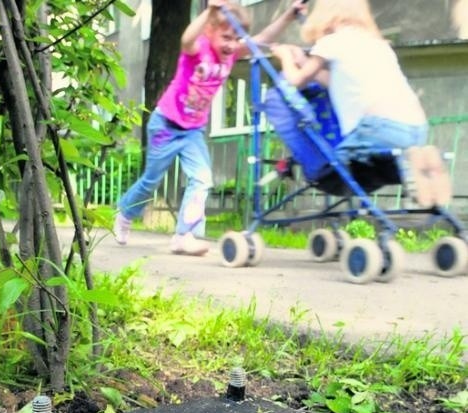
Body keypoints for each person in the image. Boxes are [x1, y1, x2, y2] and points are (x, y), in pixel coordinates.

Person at [113, 0, 309, 255]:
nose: (231, 43)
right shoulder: (198, 49)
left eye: (237, 37)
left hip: (193, 130)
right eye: (226, 36)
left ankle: (185, 235)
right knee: (151, 180)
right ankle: (125, 213)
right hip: (166, 125)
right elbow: (186, 38)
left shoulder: (232, 54)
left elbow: (262, 38)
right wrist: (209, 12)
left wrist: (289, 16)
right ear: (210, 31)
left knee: (202, 179)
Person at [270, 0, 452, 208]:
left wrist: (285, 56)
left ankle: (410, 166)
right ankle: (421, 164)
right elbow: (334, 82)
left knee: (335, 166)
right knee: (381, 163)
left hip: (378, 129)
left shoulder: (331, 42)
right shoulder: (378, 45)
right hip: (416, 130)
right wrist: (304, 61)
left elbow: (294, 82)